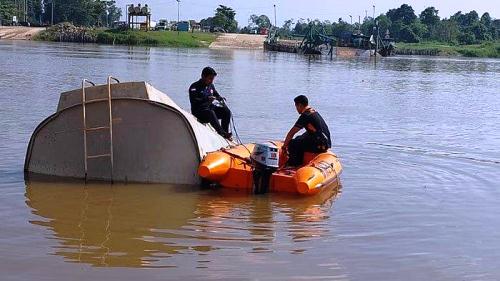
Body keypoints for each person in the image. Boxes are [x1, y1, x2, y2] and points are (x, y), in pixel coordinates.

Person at [283, 95, 332, 166]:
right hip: (326, 142)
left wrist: (284, 146)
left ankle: (294, 164)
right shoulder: (313, 112)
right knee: (298, 138)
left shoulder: (305, 116)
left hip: (320, 145)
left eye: (296, 107)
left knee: (292, 143)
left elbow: (292, 132)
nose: (296, 109)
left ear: (299, 105)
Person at [189, 67, 232, 139]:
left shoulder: (210, 86)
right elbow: (194, 101)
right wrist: (206, 99)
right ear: (203, 76)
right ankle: (222, 133)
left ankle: (225, 132)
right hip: (199, 112)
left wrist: (220, 98)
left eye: (212, 79)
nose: (211, 81)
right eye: (210, 79)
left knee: (226, 111)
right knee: (211, 112)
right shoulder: (194, 87)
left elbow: (216, 94)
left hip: (209, 108)